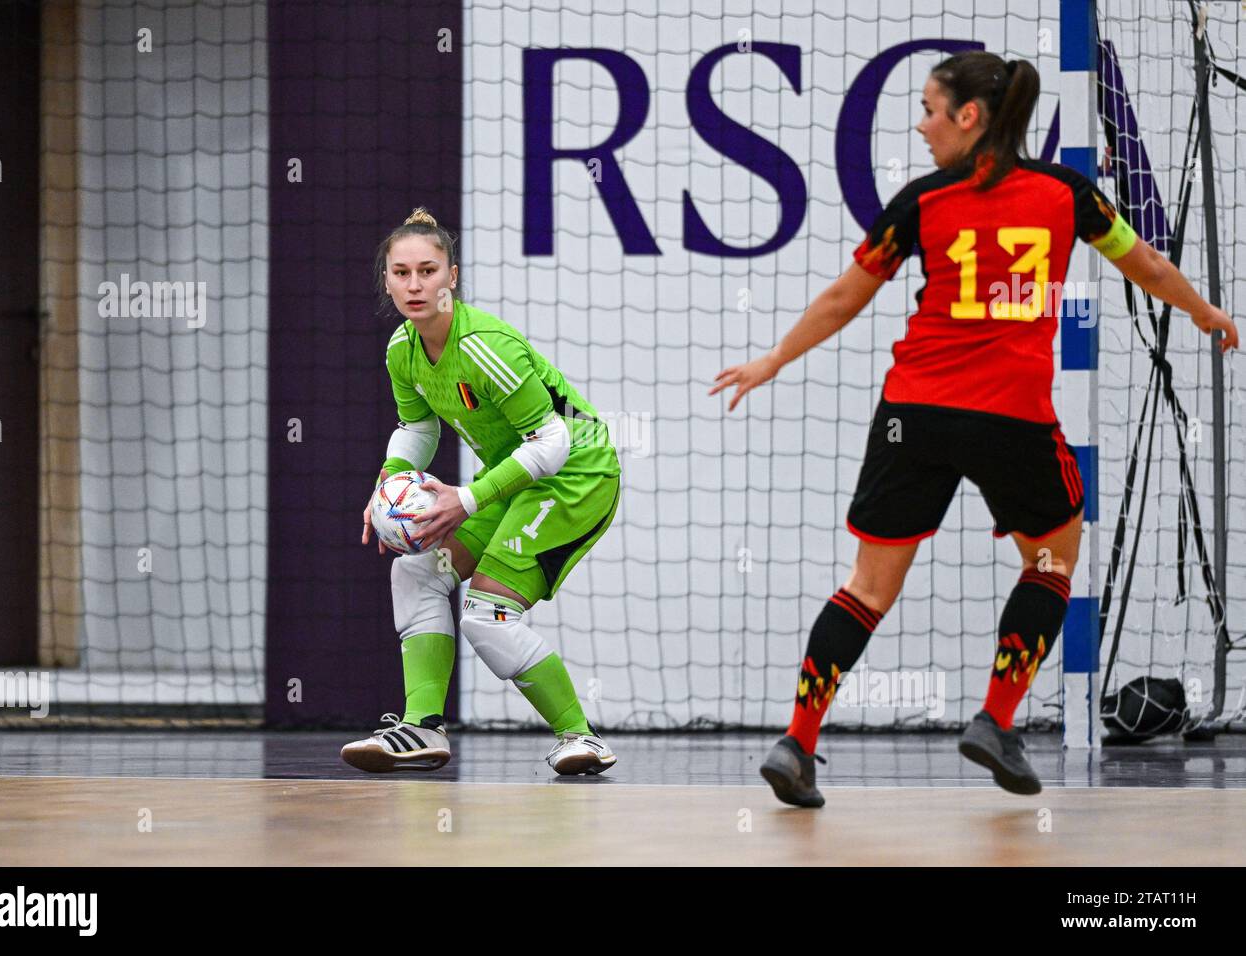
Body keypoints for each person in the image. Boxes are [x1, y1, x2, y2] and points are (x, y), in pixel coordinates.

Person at [711, 51, 1238, 807]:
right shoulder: (1067, 193)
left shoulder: (921, 202)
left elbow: (841, 298)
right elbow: (1148, 263)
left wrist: (772, 359)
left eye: (930, 110)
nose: (921, 127)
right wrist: (1204, 312)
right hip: (1011, 417)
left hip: (913, 414)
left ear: (969, 116)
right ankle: (995, 719)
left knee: (866, 587)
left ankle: (797, 743)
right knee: (1054, 563)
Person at [342, 208, 622, 776]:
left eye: (428, 271)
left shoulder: (485, 345)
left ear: (453, 277)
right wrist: (387, 485)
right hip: (513, 480)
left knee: (485, 615)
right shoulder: (403, 349)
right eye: (401, 273)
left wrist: (465, 499)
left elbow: (554, 441)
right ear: (387, 280)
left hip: (576, 478)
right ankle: (422, 728)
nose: (415, 284)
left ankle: (582, 738)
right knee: (416, 571)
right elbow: (419, 427)